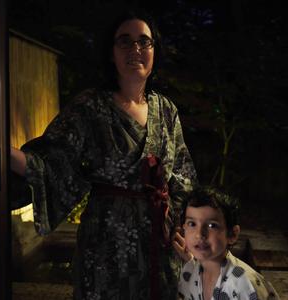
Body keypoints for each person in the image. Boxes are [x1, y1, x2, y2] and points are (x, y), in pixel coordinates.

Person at [10, 9, 198, 300]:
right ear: (111, 53)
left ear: (154, 52)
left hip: (159, 243)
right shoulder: (90, 107)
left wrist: (187, 227)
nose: (135, 49)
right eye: (124, 41)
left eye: (144, 42)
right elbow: (53, 161)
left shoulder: (166, 110)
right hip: (107, 244)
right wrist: (2, 152)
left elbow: (184, 178)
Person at [175, 187, 279, 300]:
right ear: (183, 228)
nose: (199, 234)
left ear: (232, 235)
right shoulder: (190, 271)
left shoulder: (245, 286)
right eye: (192, 223)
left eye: (212, 225)